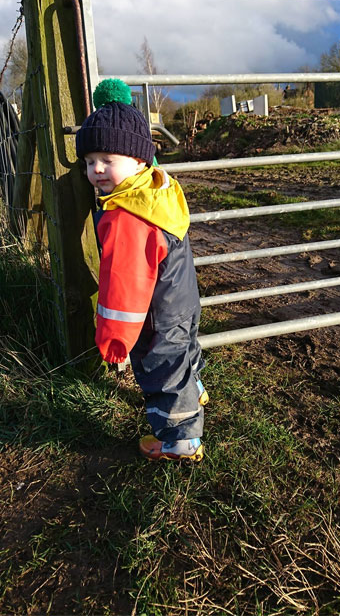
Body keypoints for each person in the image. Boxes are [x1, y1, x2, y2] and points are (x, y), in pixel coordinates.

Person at [76, 78, 208, 462]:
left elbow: (123, 288)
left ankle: (179, 438)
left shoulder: (127, 219)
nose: (97, 170)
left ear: (137, 159)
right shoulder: (156, 189)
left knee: (161, 368)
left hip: (155, 316)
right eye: (89, 162)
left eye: (107, 160)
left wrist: (115, 341)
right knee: (182, 352)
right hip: (180, 302)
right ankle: (195, 386)